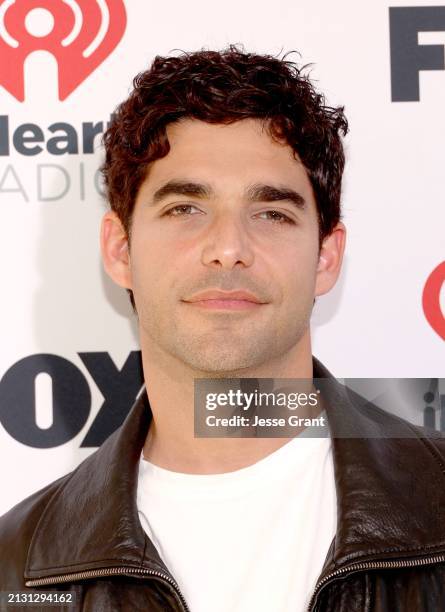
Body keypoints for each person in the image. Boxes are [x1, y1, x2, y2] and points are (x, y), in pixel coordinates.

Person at [1, 45, 445, 612]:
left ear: (326, 258)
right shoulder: (17, 570)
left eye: (272, 213)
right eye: (186, 208)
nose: (229, 249)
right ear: (120, 249)